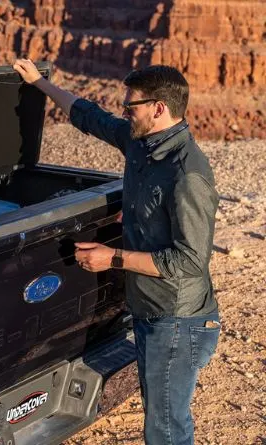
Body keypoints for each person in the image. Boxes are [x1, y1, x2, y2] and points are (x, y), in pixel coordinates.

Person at [12, 59, 221, 444]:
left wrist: (113, 258)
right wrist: (40, 82)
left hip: (177, 320)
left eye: (132, 106)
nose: (126, 113)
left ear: (159, 108)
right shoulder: (140, 142)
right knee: (162, 417)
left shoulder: (187, 174)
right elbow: (89, 116)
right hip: (151, 312)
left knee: (167, 429)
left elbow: (189, 262)